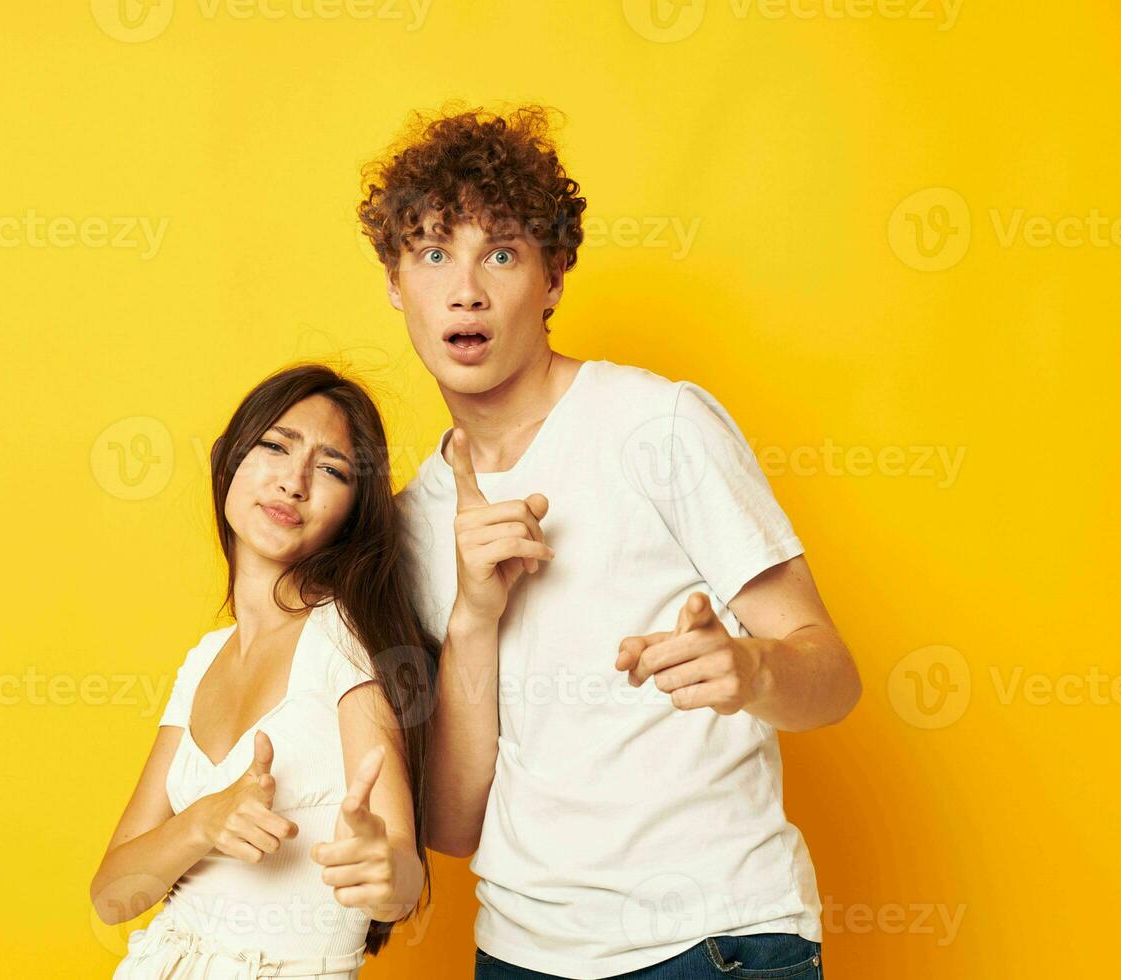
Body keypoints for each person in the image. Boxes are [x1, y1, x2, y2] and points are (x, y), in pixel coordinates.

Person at [358, 105, 863, 979]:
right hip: (520, 954)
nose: (466, 288)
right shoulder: (409, 527)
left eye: (502, 253)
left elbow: (835, 675)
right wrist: (476, 618)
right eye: (434, 253)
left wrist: (754, 672)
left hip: (716, 939)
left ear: (553, 279)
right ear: (397, 286)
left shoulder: (657, 425)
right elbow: (453, 825)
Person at [90, 364, 438, 979]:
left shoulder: (347, 644)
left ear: (353, 512)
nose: (293, 482)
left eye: (331, 469)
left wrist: (387, 871)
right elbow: (114, 895)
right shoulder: (205, 656)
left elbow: (401, 877)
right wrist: (204, 820)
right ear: (227, 460)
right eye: (275, 446)